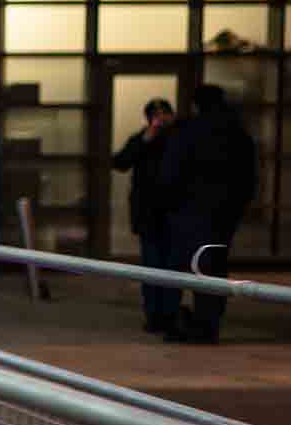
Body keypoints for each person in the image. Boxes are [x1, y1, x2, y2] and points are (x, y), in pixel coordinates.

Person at [158, 84, 258, 344]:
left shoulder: (188, 132)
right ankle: (208, 323)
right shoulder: (238, 134)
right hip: (223, 213)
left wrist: (171, 206)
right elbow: (249, 178)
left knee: (181, 268)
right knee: (214, 267)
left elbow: (171, 174)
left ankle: (175, 321)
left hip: (190, 211)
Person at [110, 98, 176, 334]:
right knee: (151, 265)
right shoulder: (142, 138)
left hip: (173, 213)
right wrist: (146, 139)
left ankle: (169, 314)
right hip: (148, 214)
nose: (160, 119)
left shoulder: (180, 138)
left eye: (164, 114)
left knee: (171, 267)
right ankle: (154, 315)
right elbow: (120, 162)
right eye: (155, 115)